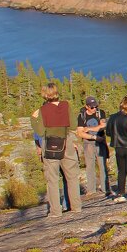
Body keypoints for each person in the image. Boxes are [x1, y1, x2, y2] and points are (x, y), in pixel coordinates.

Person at [31, 83, 82, 218]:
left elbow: (40, 131)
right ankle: (76, 207)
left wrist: (33, 118)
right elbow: (73, 125)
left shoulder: (43, 110)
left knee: (52, 179)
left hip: (50, 145)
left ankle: (55, 211)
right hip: (67, 143)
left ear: (45, 94)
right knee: (72, 177)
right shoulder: (66, 105)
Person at [106, 95, 127, 202]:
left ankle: (120, 192)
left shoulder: (112, 118)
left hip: (118, 147)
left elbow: (108, 132)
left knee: (121, 170)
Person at [77, 96, 111, 199]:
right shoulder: (81, 116)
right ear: (86, 106)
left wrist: (89, 129)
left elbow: (103, 125)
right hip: (89, 142)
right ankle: (91, 189)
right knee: (90, 166)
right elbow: (80, 133)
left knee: (102, 165)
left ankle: (106, 188)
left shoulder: (101, 113)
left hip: (100, 141)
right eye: (92, 107)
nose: (94, 108)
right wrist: (94, 136)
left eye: (95, 106)